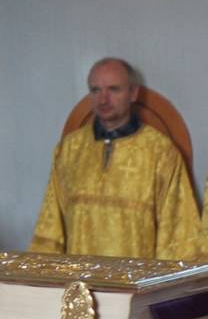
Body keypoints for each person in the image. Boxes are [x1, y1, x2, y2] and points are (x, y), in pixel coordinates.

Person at [29, 57, 202, 260]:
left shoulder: (161, 152)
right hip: (80, 284)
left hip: (136, 285)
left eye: (113, 89)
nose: (103, 100)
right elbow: (51, 228)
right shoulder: (69, 149)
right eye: (95, 90)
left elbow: (178, 233)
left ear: (133, 93)